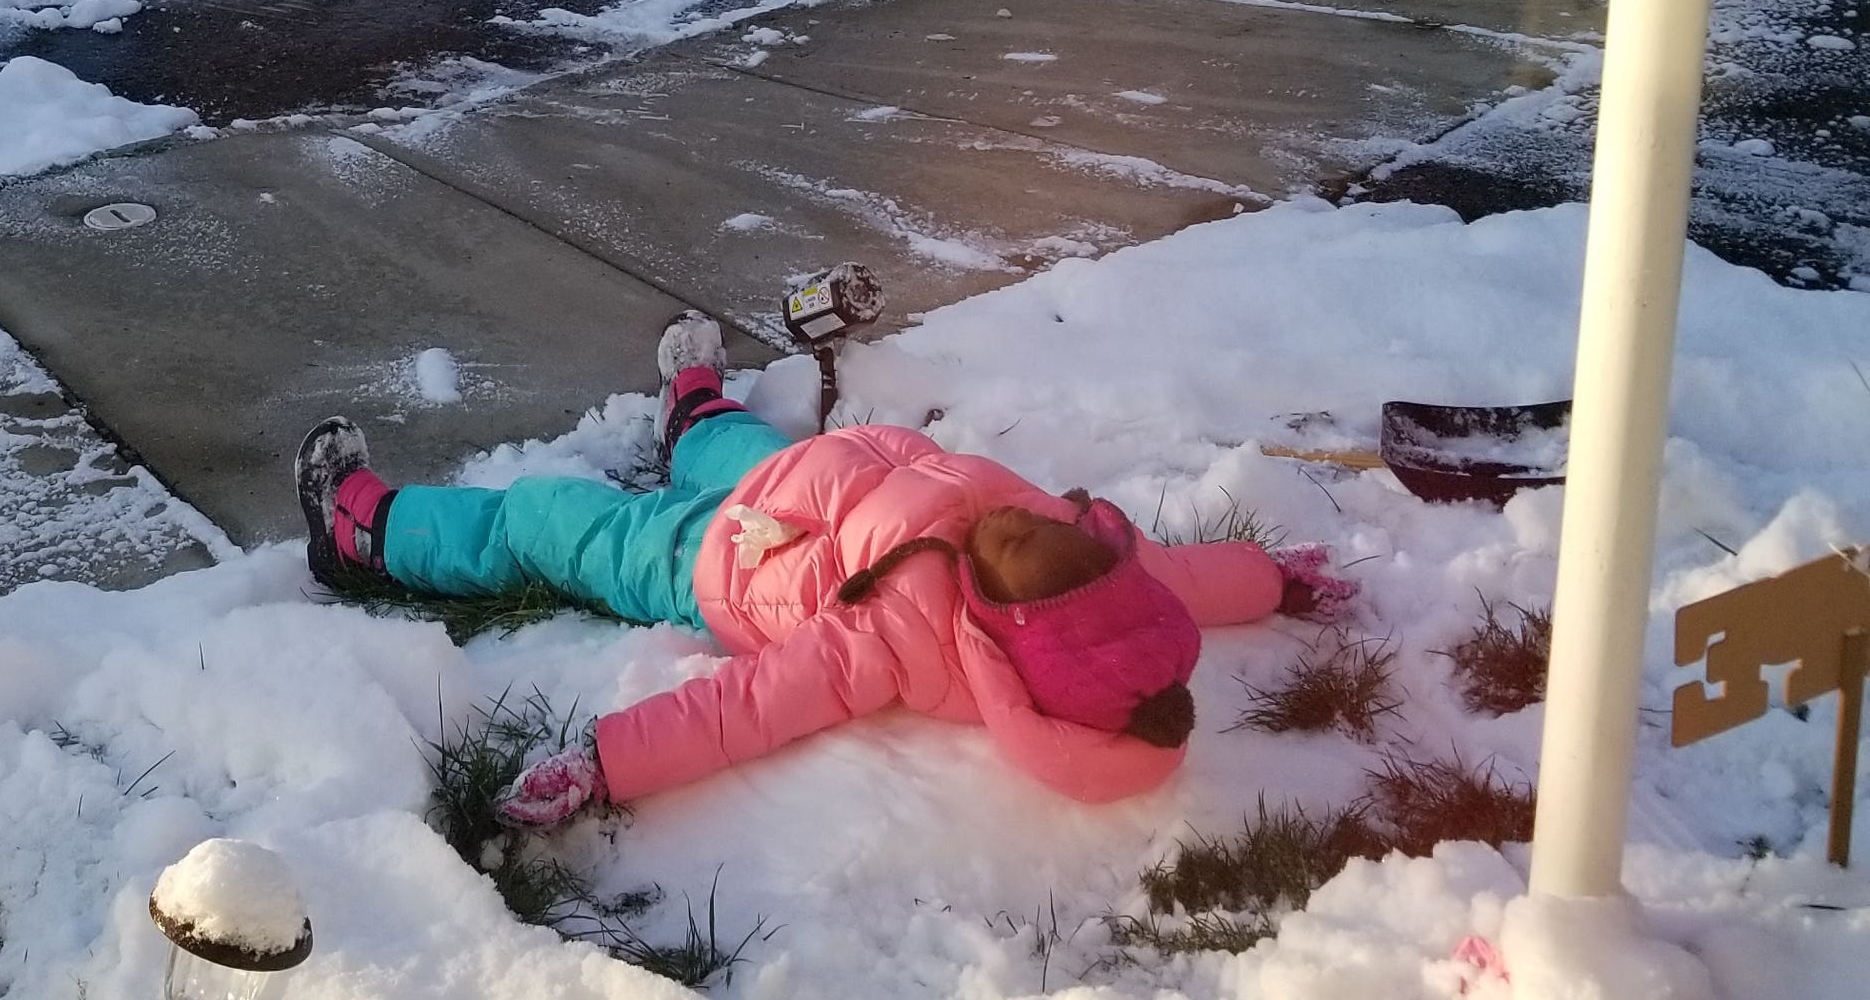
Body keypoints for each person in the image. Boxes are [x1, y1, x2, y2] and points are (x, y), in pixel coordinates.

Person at [298, 313, 1332, 823]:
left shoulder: (898, 638)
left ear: (1014, 636)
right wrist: (1277, 580)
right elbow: (1189, 583)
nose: (1016, 523)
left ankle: (367, 536)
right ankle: (695, 409)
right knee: (725, 446)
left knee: (546, 516)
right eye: (1046, 527)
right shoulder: (1085, 555)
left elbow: (752, 706)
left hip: (706, 565)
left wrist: (610, 764)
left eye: (1015, 554)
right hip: (800, 484)